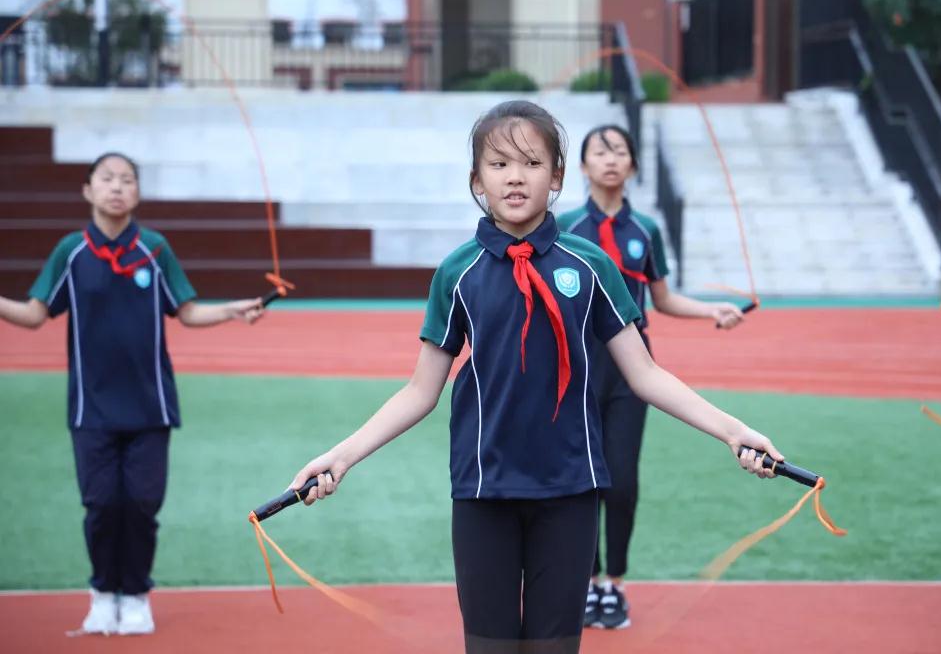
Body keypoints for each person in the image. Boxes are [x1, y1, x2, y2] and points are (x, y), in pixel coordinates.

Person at [287, 101, 783, 654]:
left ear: (558, 177)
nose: (516, 177)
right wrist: (341, 456)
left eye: (531, 162)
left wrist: (734, 431)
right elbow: (421, 391)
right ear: (477, 180)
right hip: (484, 490)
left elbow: (644, 374)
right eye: (499, 164)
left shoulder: (591, 266)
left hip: (571, 489)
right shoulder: (457, 272)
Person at [0, 152, 264, 635]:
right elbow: (35, 314)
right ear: (88, 190)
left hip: (151, 406)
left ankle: (137, 596)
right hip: (91, 408)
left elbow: (186, 311)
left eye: (127, 180)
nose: (117, 187)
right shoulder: (71, 251)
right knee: (102, 505)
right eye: (107, 179)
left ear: (138, 193)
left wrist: (232, 310)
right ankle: (103, 595)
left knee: (141, 505)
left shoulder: (154, 249)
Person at [556, 124, 744, 629]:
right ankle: (585, 581)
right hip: (575, 365)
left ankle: (613, 584)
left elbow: (662, 299)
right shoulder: (564, 227)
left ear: (633, 165)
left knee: (621, 480)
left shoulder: (645, 230)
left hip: (632, 366)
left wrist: (711, 310)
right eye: (600, 152)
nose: (610, 159)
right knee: (580, 479)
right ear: (583, 167)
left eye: (619, 151)